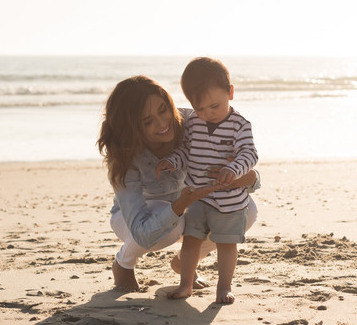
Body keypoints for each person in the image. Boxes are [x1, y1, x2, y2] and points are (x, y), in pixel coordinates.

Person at [96, 75, 260, 293]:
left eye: (163, 109)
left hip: (192, 207)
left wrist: (244, 178)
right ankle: (124, 264)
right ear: (132, 127)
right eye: (147, 121)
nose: (163, 123)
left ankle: (184, 262)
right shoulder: (125, 155)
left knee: (247, 210)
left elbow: (248, 169)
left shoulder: (196, 121)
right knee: (173, 223)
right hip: (136, 219)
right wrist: (179, 205)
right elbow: (141, 232)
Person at [156, 57, 258, 304]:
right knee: (192, 240)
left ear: (230, 93)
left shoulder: (240, 125)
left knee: (226, 245)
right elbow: (186, 150)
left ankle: (224, 287)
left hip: (230, 200)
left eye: (214, 106)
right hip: (198, 196)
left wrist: (234, 169)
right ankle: (185, 285)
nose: (207, 114)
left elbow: (250, 154)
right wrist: (172, 161)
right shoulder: (193, 122)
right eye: (200, 109)